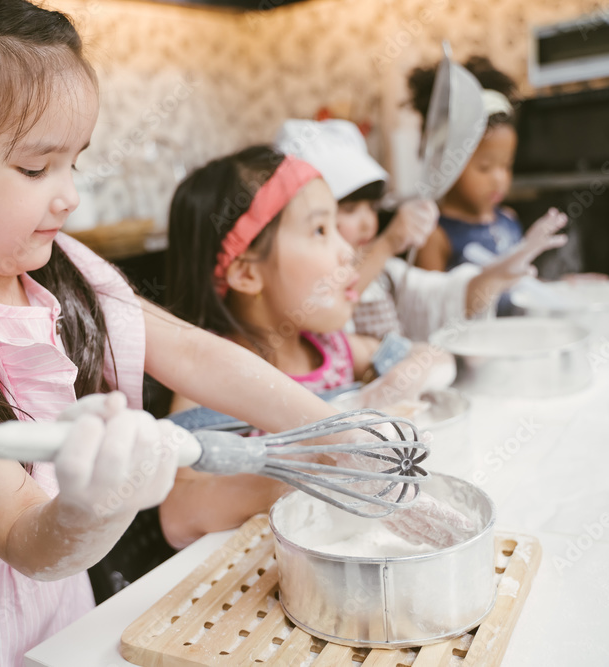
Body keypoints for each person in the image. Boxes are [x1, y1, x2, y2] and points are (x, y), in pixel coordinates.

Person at [0, 2, 413, 663]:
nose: (69, 194)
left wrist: (332, 431)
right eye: (37, 168)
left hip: (61, 606)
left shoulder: (63, 265)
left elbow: (190, 350)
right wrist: (92, 506)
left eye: (75, 161)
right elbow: (24, 537)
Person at [159, 146, 472, 546]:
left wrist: (383, 393)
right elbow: (177, 514)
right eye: (321, 231)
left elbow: (434, 359)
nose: (348, 251)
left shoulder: (335, 350)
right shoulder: (208, 382)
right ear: (247, 274)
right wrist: (310, 471)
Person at [276, 118, 569, 340]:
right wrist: (388, 242)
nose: (368, 222)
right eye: (350, 210)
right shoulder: (294, 296)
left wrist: (497, 275)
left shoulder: (386, 275)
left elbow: (442, 299)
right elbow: (328, 307)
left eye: (373, 208)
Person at [409, 57, 536, 274]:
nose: (499, 179)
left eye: (506, 166)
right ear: (448, 162)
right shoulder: (435, 236)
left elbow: (523, 284)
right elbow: (429, 304)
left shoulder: (509, 220)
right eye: (485, 167)